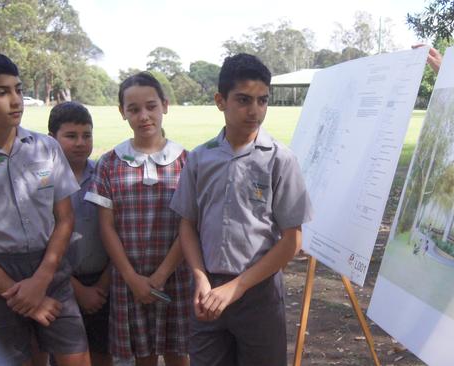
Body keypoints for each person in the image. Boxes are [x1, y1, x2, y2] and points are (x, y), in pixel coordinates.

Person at [0, 53, 90, 366]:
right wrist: (22, 296)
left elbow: (65, 219)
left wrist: (41, 281)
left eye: (18, 89)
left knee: (76, 357)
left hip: (52, 271)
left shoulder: (46, 148)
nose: (15, 100)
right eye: (1, 92)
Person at [170, 53, 313, 366]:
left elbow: (292, 241)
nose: (255, 111)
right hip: (208, 291)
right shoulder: (199, 158)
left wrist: (237, 287)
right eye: (244, 100)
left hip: (259, 294)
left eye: (263, 101)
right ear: (221, 101)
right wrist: (201, 279)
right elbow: (187, 226)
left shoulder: (280, 160)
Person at [85, 72, 190, 366]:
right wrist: (133, 278)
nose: (144, 116)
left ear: (165, 106)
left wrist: (161, 275)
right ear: (122, 113)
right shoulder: (110, 162)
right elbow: (106, 227)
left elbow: (189, 226)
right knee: (141, 354)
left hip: (175, 276)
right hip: (129, 279)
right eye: (133, 109)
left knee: (177, 352)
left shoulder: (187, 161)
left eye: (151, 106)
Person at [48, 102, 112, 366]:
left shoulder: (104, 174)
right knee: (66, 355)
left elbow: (115, 233)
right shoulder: (44, 181)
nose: (80, 143)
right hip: (59, 283)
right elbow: (44, 239)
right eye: (71, 136)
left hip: (103, 283)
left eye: (87, 135)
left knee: (102, 353)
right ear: (53, 138)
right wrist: (78, 290)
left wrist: (102, 285)